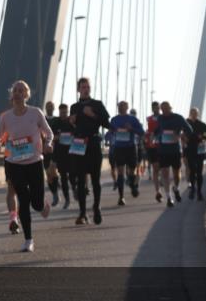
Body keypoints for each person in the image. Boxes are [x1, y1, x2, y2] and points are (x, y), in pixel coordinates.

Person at [0, 80, 54, 252]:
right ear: (12, 95)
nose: (18, 93)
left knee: (36, 204)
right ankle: (28, 240)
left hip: (34, 162)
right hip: (15, 164)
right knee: (23, 202)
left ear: (26, 95)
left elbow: (48, 133)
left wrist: (48, 143)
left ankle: (42, 205)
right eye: (15, 90)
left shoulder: (36, 113)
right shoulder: (6, 117)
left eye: (21, 91)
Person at [68, 77, 111, 225]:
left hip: (93, 142)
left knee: (95, 179)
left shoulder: (97, 104)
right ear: (78, 89)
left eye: (87, 87)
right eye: (83, 87)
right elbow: (73, 125)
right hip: (79, 143)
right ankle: (82, 213)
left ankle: (96, 208)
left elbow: (107, 123)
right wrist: (72, 121)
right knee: (80, 179)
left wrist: (92, 114)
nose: (86, 89)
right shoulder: (74, 107)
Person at [154, 101, 193, 208]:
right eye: (162, 109)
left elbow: (189, 130)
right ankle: (169, 197)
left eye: (166, 108)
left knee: (176, 174)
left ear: (170, 108)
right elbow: (157, 130)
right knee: (165, 173)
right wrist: (155, 135)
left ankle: (176, 188)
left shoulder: (178, 118)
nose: (164, 111)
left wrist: (181, 135)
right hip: (163, 150)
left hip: (175, 150)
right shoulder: (160, 118)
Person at [109, 101, 146, 206]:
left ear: (127, 107)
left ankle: (133, 186)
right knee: (120, 172)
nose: (121, 108)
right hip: (119, 148)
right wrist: (114, 131)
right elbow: (111, 131)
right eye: (119, 106)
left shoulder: (133, 119)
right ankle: (121, 197)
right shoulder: (114, 119)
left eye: (123, 106)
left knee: (131, 171)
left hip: (130, 148)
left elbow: (141, 132)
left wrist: (131, 129)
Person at [184, 108, 206, 201]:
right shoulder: (185, 123)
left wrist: (203, 136)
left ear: (198, 114)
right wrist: (183, 137)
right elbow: (179, 133)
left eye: (195, 113)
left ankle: (199, 192)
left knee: (199, 172)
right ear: (190, 114)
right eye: (192, 113)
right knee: (192, 170)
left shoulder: (202, 125)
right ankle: (193, 189)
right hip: (190, 149)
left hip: (200, 150)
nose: (193, 115)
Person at [50, 103, 75, 209]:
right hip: (60, 153)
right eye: (61, 112)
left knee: (73, 175)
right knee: (63, 177)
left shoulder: (71, 122)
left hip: (71, 152)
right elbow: (51, 136)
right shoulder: (55, 123)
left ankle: (74, 189)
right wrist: (58, 136)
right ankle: (67, 199)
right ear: (59, 112)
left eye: (65, 112)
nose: (63, 114)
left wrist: (73, 133)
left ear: (67, 112)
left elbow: (78, 133)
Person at [145, 101, 161, 196]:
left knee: (163, 167)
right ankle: (157, 191)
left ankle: (162, 180)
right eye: (154, 107)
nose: (156, 109)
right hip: (152, 145)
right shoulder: (149, 118)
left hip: (163, 144)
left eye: (157, 107)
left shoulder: (164, 118)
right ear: (152, 108)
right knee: (155, 167)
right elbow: (149, 131)